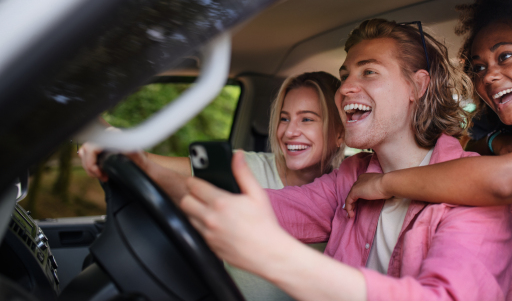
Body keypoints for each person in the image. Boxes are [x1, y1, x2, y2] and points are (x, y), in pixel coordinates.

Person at [180, 18, 512, 301]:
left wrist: (279, 259)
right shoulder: (352, 176)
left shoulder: (477, 196)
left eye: (369, 72)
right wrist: (145, 169)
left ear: (417, 87)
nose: (345, 87)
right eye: (345, 74)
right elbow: (275, 208)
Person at [79, 71, 345, 301]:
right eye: (285, 118)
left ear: (340, 133)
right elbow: (150, 165)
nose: (289, 132)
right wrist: (109, 137)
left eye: (307, 119)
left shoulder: (347, 198)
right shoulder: (241, 167)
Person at [343, 0, 512, 212]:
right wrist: (496, 142)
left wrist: (384, 184)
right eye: (479, 67)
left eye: (505, 56)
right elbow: (467, 149)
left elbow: (505, 181)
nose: (489, 76)